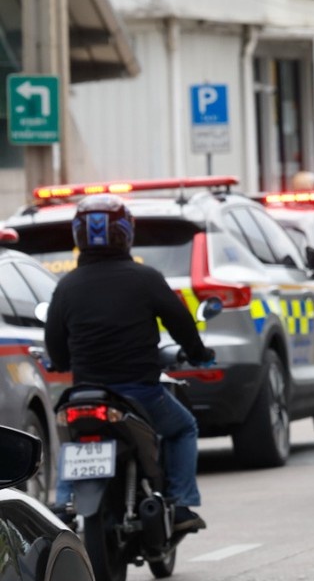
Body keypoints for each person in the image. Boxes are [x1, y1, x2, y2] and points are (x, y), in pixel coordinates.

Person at [45, 194, 214, 532]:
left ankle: (63, 503)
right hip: (141, 394)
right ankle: (180, 504)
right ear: (126, 232)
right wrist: (198, 353)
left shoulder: (67, 287)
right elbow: (181, 323)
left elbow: (56, 347)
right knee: (183, 429)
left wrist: (62, 362)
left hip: (86, 395)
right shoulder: (146, 278)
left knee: (74, 440)